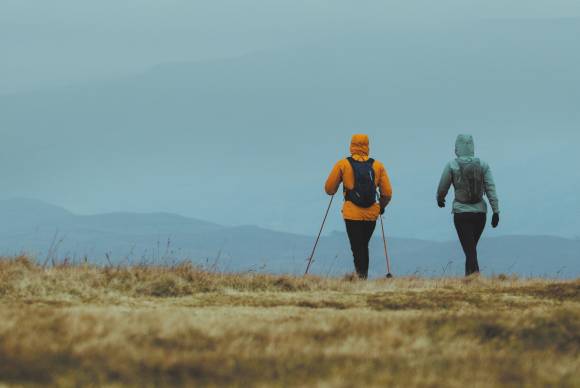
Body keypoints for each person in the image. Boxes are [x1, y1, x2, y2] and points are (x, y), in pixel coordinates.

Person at [325, 134, 393, 279]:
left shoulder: (343, 164)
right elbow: (387, 193)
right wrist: (381, 206)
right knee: (363, 245)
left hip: (352, 214)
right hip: (371, 214)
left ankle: (361, 278)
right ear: (367, 145)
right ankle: (362, 277)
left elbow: (329, 189)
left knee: (357, 247)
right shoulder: (377, 165)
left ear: (352, 145)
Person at [437, 134, 500, 276]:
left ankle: (474, 280)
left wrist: (440, 199)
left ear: (457, 147)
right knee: (470, 249)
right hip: (480, 214)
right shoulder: (483, 165)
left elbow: (443, 186)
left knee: (470, 250)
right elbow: (490, 188)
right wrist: (496, 211)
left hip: (461, 213)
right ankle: (470, 281)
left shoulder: (452, 165)